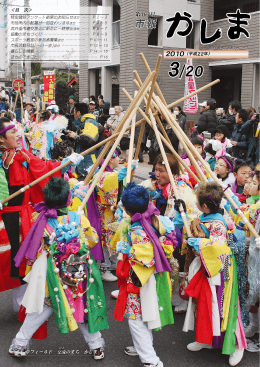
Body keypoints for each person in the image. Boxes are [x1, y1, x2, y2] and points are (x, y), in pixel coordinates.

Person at [9, 177, 108, 358]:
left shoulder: (39, 219)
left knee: (42, 307)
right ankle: (96, 345)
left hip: (50, 271)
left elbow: (36, 247)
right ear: (69, 199)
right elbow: (92, 239)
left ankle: (20, 343)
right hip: (77, 270)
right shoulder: (78, 218)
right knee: (81, 306)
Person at [0, 118, 84, 299]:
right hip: (6, 217)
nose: (17, 134)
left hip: (22, 215)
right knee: (9, 259)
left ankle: (24, 301)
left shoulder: (21, 154)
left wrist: (65, 164)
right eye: (12, 131)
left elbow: (43, 169)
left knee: (23, 258)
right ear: (1, 138)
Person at [183, 182, 247, 366]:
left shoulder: (218, 223)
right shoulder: (207, 216)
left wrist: (200, 244)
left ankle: (236, 344)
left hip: (221, 269)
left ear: (204, 205)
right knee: (206, 304)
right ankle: (207, 339)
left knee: (224, 307)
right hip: (208, 266)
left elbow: (219, 250)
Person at [114, 183, 177, 367]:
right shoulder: (157, 218)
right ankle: (143, 346)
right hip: (153, 276)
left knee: (136, 317)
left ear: (126, 210)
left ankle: (150, 359)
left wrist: (128, 249)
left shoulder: (137, 229)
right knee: (145, 313)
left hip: (141, 278)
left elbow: (145, 257)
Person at [68, 105, 99, 179]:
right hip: (83, 163)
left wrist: (75, 136)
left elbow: (88, 140)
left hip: (89, 163)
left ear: (78, 113)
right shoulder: (84, 123)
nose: (74, 115)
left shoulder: (90, 122)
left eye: (74, 112)